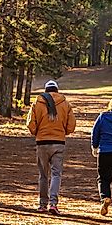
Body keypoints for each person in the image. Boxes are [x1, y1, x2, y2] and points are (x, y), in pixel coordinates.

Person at [27, 79, 76, 215]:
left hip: (42, 143)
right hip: (58, 142)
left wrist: (38, 132)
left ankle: (42, 204)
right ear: (57, 90)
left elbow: (31, 124)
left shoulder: (37, 103)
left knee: (43, 175)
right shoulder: (65, 104)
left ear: (45, 91)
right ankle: (53, 203)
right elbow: (71, 125)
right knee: (56, 174)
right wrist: (63, 132)